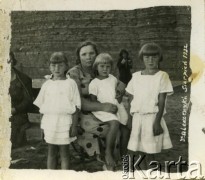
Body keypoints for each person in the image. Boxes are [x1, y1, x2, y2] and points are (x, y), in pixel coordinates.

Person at [67, 41, 130, 170]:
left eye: (91, 53)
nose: (88, 57)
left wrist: (120, 90)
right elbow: (76, 100)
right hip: (82, 112)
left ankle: (118, 160)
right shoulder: (74, 73)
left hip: (106, 109)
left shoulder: (101, 68)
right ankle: (108, 157)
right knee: (109, 127)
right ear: (78, 56)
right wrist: (103, 107)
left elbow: (118, 83)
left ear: (97, 54)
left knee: (123, 125)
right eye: (84, 54)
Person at [126, 42, 173, 170]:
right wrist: (130, 119)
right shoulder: (135, 76)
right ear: (142, 59)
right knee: (140, 150)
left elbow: (162, 101)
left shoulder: (162, 76)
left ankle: (152, 174)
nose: (150, 60)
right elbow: (131, 98)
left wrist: (157, 122)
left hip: (152, 118)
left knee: (151, 151)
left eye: (154, 57)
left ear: (159, 58)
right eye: (147, 57)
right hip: (137, 118)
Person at [34, 52, 81, 169]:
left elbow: (76, 107)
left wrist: (74, 126)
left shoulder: (71, 83)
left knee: (65, 153)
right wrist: (42, 126)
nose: (57, 68)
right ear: (49, 67)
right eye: (53, 65)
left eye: (60, 65)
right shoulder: (47, 85)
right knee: (51, 153)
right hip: (50, 123)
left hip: (65, 123)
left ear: (66, 66)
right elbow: (41, 108)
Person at [89, 53, 128, 169]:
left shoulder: (113, 78)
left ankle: (123, 156)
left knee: (126, 129)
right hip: (102, 108)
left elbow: (118, 90)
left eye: (108, 66)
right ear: (96, 67)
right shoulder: (94, 83)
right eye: (102, 66)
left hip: (115, 105)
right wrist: (105, 107)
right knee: (115, 123)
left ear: (111, 67)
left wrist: (119, 95)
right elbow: (93, 101)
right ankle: (108, 153)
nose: (105, 69)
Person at [9, 51, 33, 149]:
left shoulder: (23, 79)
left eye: (9, 60)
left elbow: (28, 101)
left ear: (13, 61)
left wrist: (14, 110)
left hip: (18, 114)